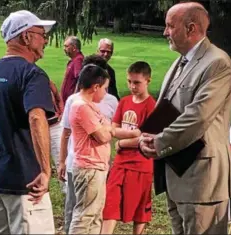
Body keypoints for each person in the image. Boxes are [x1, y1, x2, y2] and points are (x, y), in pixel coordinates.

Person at [139, 2, 231, 234]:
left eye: (170, 26)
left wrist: (159, 142)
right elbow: (167, 107)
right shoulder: (181, 61)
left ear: (191, 29)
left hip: (202, 183)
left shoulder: (217, 63)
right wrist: (146, 137)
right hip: (176, 176)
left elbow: (197, 117)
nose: (165, 32)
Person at [0, 10, 56, 234]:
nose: (46, 39)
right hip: (26, 182)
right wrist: (45, 170)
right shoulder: (32, 74)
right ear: (26, 37)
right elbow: (37, 117)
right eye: (41, 33)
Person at [58, 55, 118, 234]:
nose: (106, 92)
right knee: (82, 215)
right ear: (96, 86)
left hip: (98, 166)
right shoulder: (80, 105)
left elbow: (110, 129)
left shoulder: (98, 104)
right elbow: (102, 136)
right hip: (87, 166)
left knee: (95, 214)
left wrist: (109, 130)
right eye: (105, 88)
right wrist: (108, 130)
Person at [101, 61, 156, 234]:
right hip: (120, 163)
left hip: (141, 164)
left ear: (148, 81)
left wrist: (122, 142)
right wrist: (134, 135)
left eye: (137, 82)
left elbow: (146, 137)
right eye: (129, 82)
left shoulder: (151, 105)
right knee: (110, 203)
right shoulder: (124, 101)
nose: (132, 86)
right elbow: (113, 128)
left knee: (140, 207)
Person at [48, 80, 65, 192]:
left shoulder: (44, 79)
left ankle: (66, 190)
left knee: (60, 158)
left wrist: (61, 112)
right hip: (34, 128)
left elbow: (58, 97)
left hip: (54, 125)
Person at [60, 36, 84, 104]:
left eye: (66, 46)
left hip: (71, 102)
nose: (64, 49)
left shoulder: (78, 60)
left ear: (74, 48)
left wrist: (74, 99)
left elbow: (80, 79)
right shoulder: (74, 60)